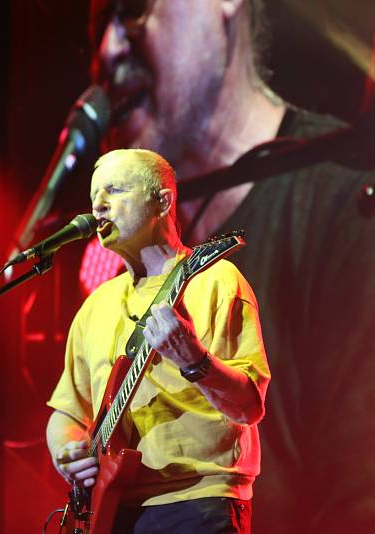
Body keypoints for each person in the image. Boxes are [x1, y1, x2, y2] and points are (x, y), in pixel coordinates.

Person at [82, 0, 375, 531]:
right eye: (96, 25)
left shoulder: (348, 204)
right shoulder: (123, 265)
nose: (107, 49)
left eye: (131, 10)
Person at [47, 148, 270, 533]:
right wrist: (65, 452)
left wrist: (194, 361)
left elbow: (249, 406)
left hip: (197, 500)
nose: (97, 206)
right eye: (93, 197)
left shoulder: (216, 281)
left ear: (162, 201)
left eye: (114, 191)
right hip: (111, 509)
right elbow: (67, 412)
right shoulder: (95, 306)